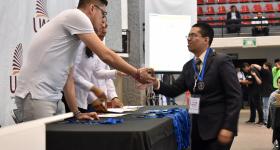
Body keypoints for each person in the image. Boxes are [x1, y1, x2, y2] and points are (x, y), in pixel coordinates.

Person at [15, 0, 154, 122]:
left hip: (52, 97)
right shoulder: (77, 16)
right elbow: (106, 55)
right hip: (37, 95)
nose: (103, 20)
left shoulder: (73, 36)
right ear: (92, 9)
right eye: (103, 14)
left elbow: (68, 75)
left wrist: (77, 113)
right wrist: (136, 73)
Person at [152, 23, 242, 150]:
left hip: (218, 128)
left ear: (206, 40)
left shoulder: (221, 61)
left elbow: (235, 97)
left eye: (193, 35)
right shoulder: (188, 66)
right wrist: (155, 82)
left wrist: (228, 127)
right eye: (188, 36)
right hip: (196, 129)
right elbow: (173, 90)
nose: (189, 39)